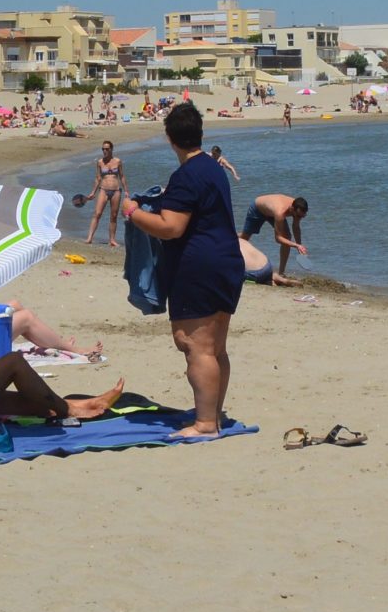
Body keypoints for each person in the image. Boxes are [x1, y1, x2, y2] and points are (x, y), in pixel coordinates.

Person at [119, 102, 243, 437]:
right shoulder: (213, 168)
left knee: (194, 345)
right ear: (199, 134)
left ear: (170, 138)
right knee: (215, 347)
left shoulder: (186, 175)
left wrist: (131, 212)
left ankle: (205, 424)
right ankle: (212, 416)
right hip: (226, 261)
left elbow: (170, 227)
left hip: (199, 266)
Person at [242, 192, 309, 278]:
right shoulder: (280, 212)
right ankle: (230, 237)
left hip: (271, 211)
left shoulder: (298, 209)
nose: (299, 218)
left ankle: (281, 273)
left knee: (287, 237)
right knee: (244, 238)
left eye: (302, 217)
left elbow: (296, 227)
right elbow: (278, 238)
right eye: (298, 216)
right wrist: (295, 245)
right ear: (292, 209)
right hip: (257, 209)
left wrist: (300, 246)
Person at [84, 140, 125, 246]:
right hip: (103, 189)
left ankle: (112, 240)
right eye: (103, 149)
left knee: (114, 216)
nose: (104, 151)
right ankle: (89, 238)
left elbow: (122, 176)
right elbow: (98, 178)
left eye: (107, 149)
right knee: (97, 213)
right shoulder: (100, 162)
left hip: (116, 190)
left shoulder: (118, 161)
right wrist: (93, 192)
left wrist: (127, 192)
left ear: (111, 149)